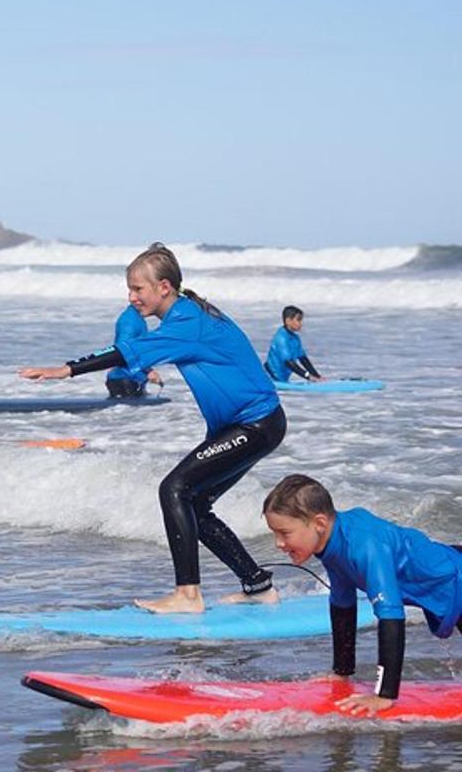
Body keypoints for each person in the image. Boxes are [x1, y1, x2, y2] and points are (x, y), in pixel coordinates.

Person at [19, 243, 284, 613]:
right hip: (251, 424)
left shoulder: (187, 322)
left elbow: (128, 352)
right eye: (129, 288)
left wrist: (66, 369)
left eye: (137, 289)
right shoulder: (185, 316)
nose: (131, 297)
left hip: (254, 423)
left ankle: (188, 595)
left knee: (174, 488)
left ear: (163, 287)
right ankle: (257, 585)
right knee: (195, 502)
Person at [263, 473, 462, 716]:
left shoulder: (364, 545)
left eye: (284, 533)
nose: (278, 543)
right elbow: (342, 602)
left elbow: (391, 614)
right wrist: (341, 673)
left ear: (319, 523)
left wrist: (385, 695)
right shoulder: (332, 543)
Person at [105, 304, 162, 398]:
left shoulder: (134, 317)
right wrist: (148, 371)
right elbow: (124, 350)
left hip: (125, 377)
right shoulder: (131, 321)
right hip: (127, 380)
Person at [265, 305, 324, 383]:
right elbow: (289, 363)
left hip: (281, 380)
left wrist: (317, 376)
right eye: (298, 320)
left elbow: (303, 359)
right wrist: (308, 376)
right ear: (288, 321)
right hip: (270, 378)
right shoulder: (281, 338)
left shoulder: (295, 338)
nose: (301, 324)